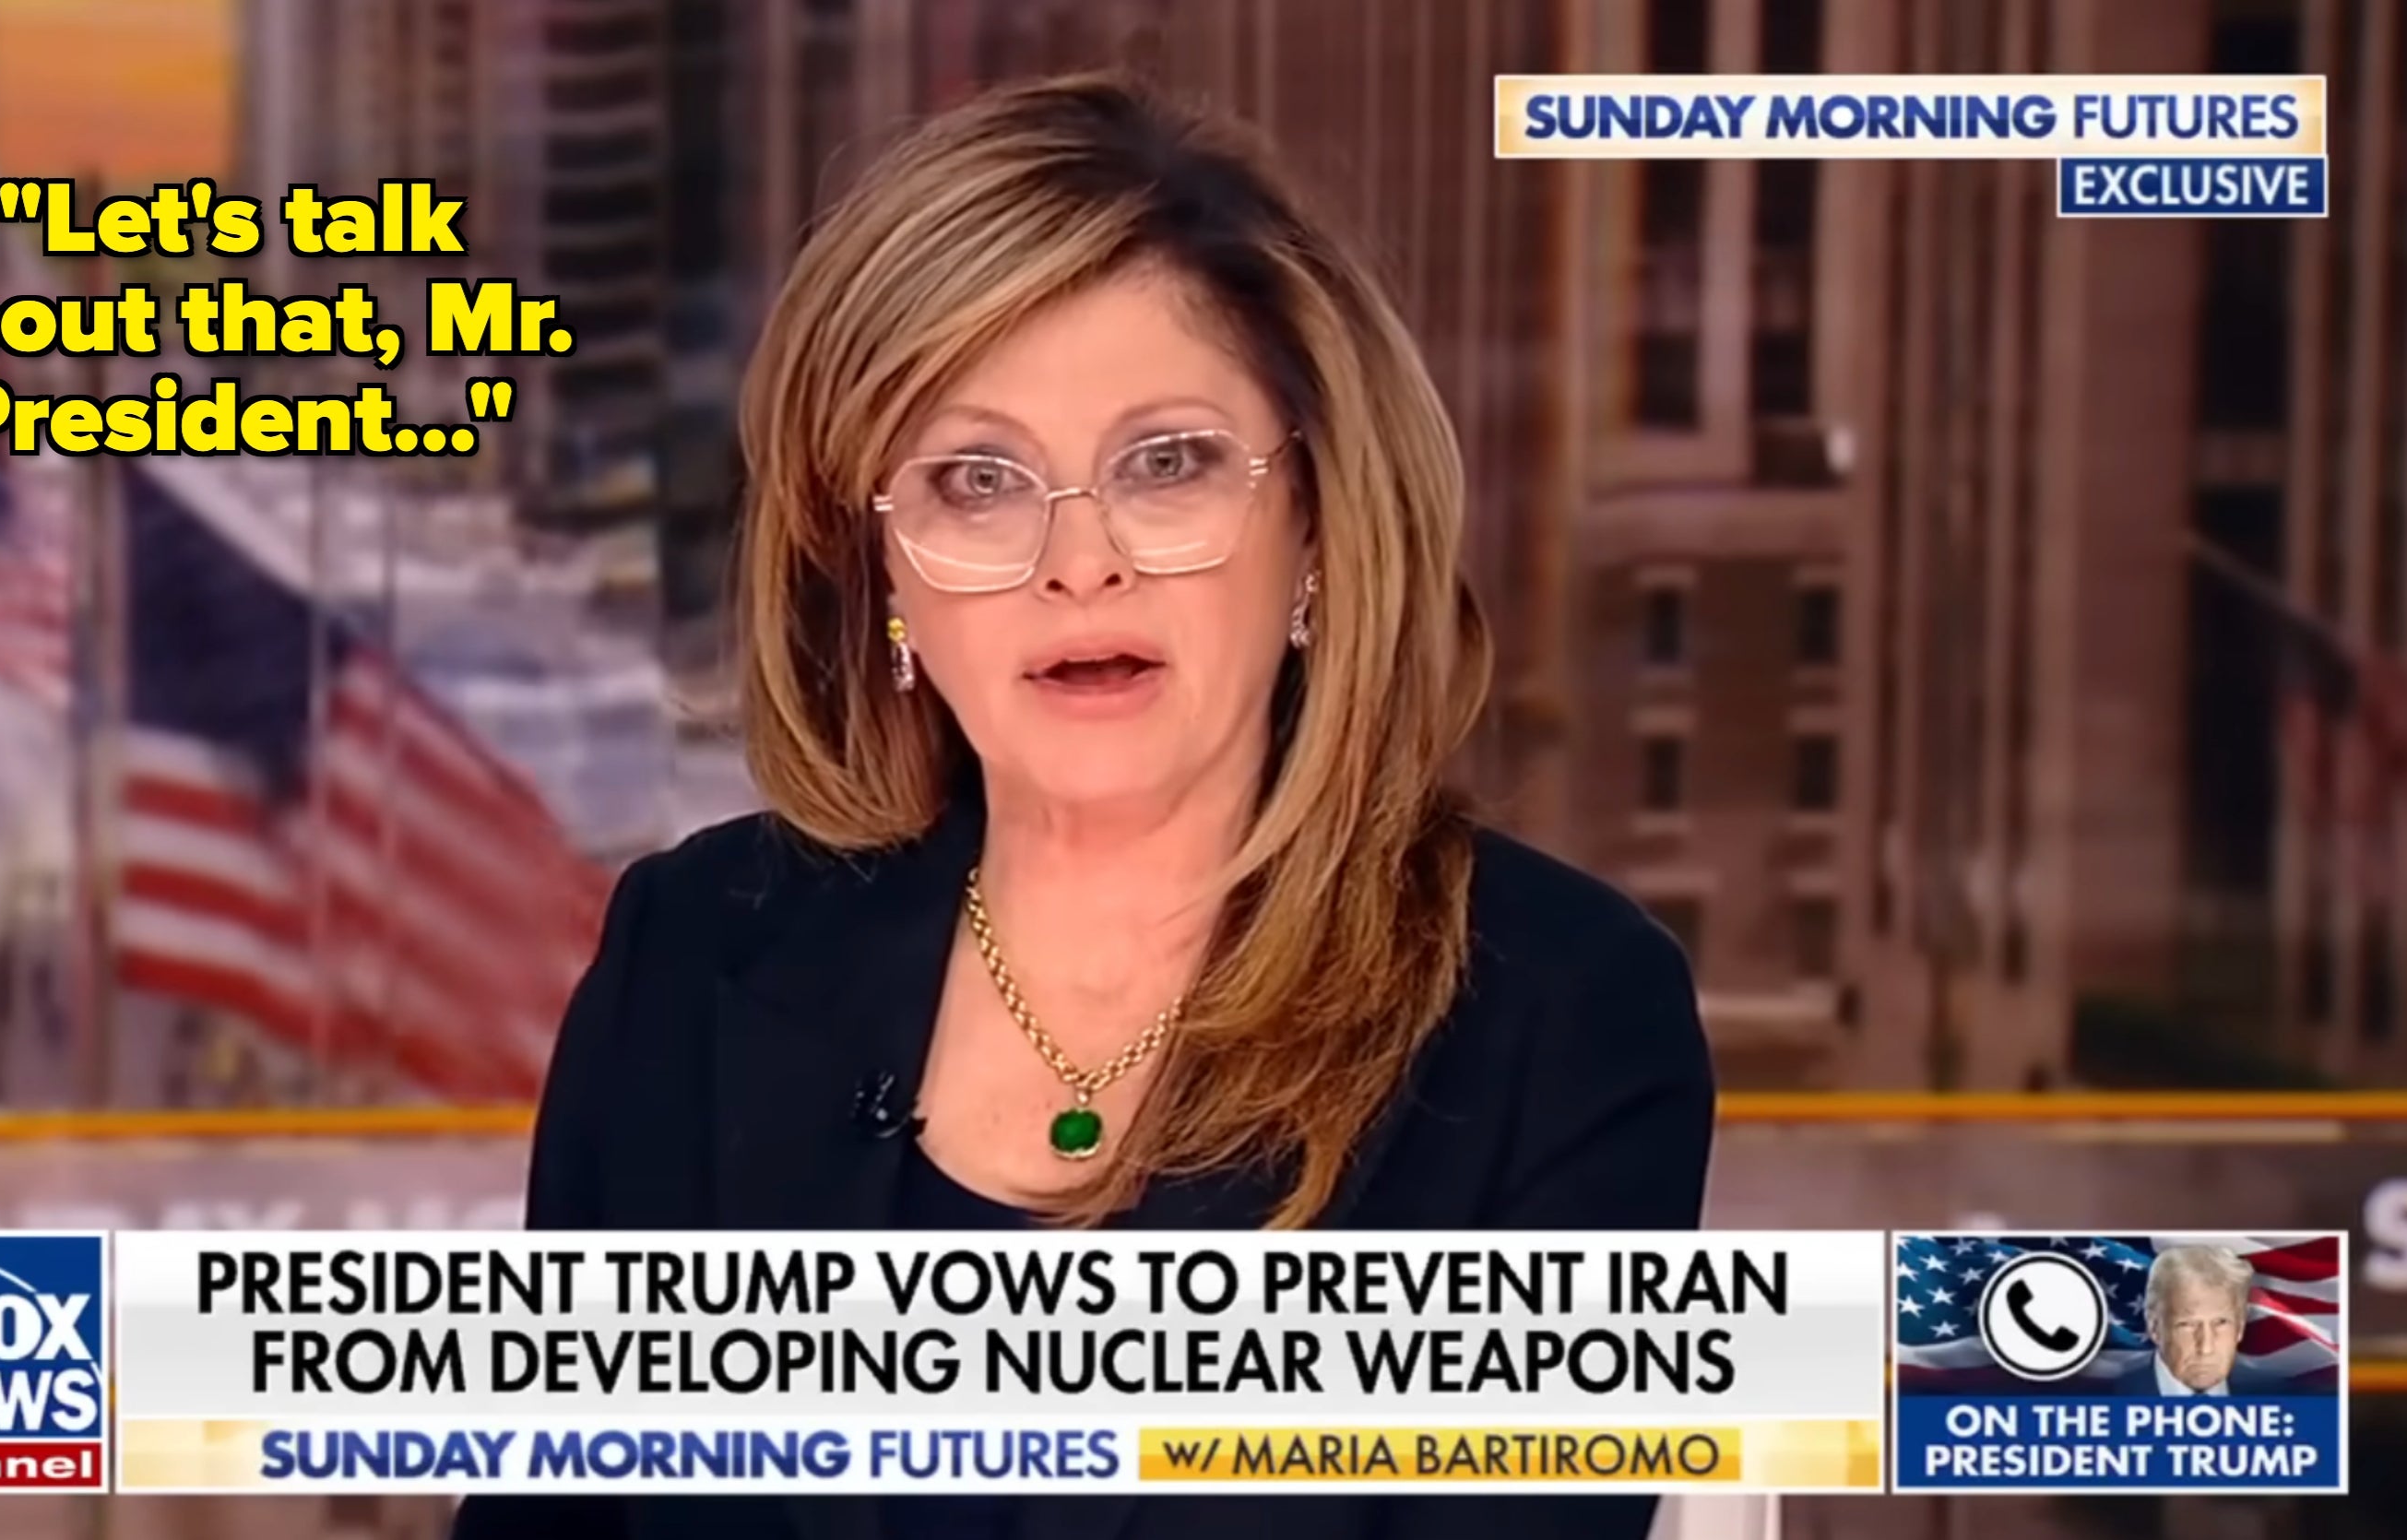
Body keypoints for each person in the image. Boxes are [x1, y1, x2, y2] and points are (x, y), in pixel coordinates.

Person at [453, 72, 1715, 1540]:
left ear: (1314, 524)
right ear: (881, 571)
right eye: (976, 482)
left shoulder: (1558, 1017)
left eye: (1166, 463)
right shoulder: (690, 953)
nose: (1079, 563)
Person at [2118, 1245, 2253, 1397]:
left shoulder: (2271, 1391)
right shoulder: (2107, 1394)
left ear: (2240, 1326)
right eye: (2187, 1325)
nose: (2206, 1348)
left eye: (2221, 1322)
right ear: (2154, 1327)